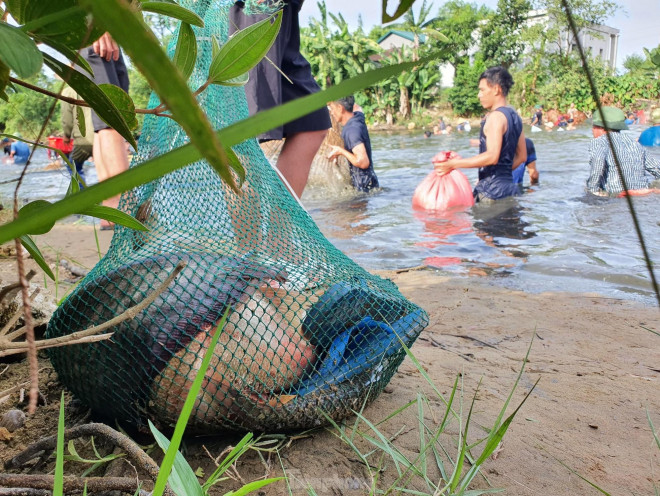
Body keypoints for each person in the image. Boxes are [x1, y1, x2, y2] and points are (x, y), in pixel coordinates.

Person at [230, 0, 331, 199]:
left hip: (284, 16)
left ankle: (278, 227)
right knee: (244, 133)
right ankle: (246, 230)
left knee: (312, 120)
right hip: (254, 10)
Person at [435, 66, 526, 202]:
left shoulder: (495, 117)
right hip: (509, 189)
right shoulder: (515, 117)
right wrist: (499, 173)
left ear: (496, 89)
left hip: (491, 194)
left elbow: (492, 156)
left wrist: (453, 164)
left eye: (482, 90)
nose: (479, 95)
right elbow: (522, 156)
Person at [81, 32, 130, 229]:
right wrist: (97, 26)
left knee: (106, 119)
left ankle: (112, 206)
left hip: (102, 32)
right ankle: (123, 204)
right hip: (91, 28)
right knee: (112, 117)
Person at [586, 106, 660, 196]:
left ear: (601, 127)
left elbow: (598, 164)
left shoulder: (599, 142)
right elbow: (658, 169)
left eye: (593, 127)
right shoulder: (634, 143)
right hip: (642, 193)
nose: (592, 130)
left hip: (618, 195)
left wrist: (592, 190)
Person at [326, 95, 379, 193]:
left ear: (340, 108)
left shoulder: (352, 131)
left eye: (332, 109)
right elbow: (357, 107)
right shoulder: (358, 116)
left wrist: (340, 151)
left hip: (363, 188)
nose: (331, 113)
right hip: (371, 182)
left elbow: (363, 162)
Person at [61, 85, 94, 185]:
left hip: (85, 139)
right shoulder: (97, 86)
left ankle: (84, 197)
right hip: (106, 135)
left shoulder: (69, 91)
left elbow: (67, 118)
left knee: (73, 167)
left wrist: (66, 135)